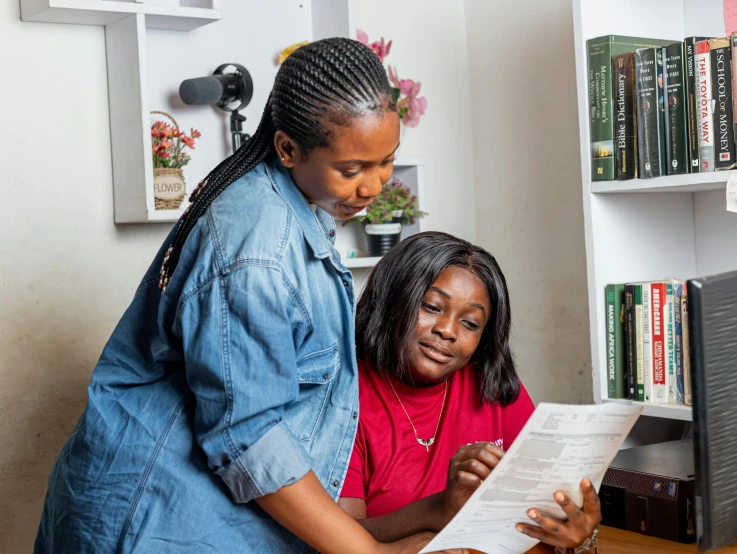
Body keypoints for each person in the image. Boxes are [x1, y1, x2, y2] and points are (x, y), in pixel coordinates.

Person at [35, 38, 437, 554]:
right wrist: (369, 552)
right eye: (352, 169)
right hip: (154, 516)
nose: (374, 185)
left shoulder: (295, 207)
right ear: (289, 148)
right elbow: (249, 438)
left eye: (386, 162)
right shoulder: (257, 250)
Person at [339, 232, 602, 553]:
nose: (448, 331)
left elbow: (543, 512)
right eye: (432, 307)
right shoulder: (344, 400)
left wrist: (575, 533)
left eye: (470, 323)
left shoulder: (494, 386)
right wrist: (439, 510)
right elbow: (338, 537)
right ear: (393, 300)